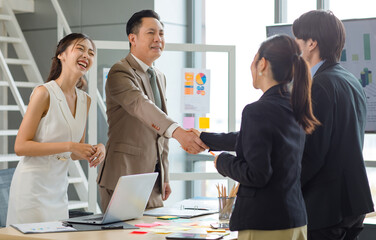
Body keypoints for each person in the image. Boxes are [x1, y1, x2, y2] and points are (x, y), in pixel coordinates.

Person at [192, 35, 320, 240]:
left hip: (264, 224)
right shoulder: (294, 106)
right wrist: (206, 138)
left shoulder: (256, 110)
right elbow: (252, 139)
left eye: (253, 61)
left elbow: (257, 174)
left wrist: (222, 161)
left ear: (262, 64)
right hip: (294, 220)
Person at [96, 9, 207, 211]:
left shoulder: (159, 76)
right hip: (125, 176)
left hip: (153, 180)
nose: (158, 39)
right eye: (151, 33)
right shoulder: (120, 71)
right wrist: (179, 133)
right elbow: (140, 106)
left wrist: (164, 175)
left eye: (161, 34)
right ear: (133, 38)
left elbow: (159, 131)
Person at [6, 33, 105, 225]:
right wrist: (69, 146)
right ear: (62, 54)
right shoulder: (44, 93)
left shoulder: (85, 100)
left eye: (91, 53)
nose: (87, 55)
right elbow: (20, 146)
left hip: (59, 191)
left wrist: (98, 148)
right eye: (80, 49)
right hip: (32, 190)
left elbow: (76, 152)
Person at [292, 10, 374, 240]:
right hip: (351, 203)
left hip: (325, 208)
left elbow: (313, 153)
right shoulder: (350, 80)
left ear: (311, 43)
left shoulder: (320, 85)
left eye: (296, 39)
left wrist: (282, 189)